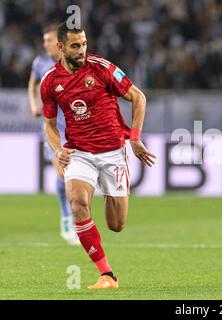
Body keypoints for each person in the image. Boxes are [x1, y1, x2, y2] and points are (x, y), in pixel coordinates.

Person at [40, 22, 156, 289]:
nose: (82, 51)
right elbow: (48, 124)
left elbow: (138, 97)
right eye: (75, 46)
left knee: (116, 225)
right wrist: (58, 150)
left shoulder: (102, 68)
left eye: (84, 44)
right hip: (79, 152)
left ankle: (105, 189)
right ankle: (107, 275)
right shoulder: (50, 82)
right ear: (61, 48)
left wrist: (135, 139)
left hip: (113, 152)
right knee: (77, 203)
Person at [28, 23, 79, 245]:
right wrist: (33, 105)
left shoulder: (72, 62)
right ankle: (69, 219)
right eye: (44, 41)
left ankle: (72, 218)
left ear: (59, 44)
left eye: (48, 40)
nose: (45, 44)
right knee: (63, 173)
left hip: (76, 128)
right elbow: (32, 84)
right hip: (52, 129)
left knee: (73, 176)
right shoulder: (40, 63)